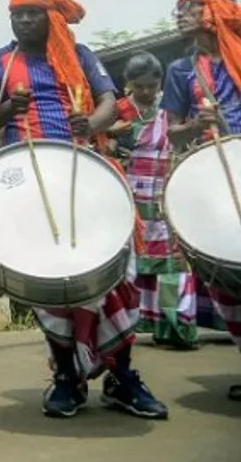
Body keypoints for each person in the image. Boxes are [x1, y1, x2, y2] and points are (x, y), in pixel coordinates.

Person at [0, 0, 167, 419]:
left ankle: (122, 377)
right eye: (17, 14)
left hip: (88, 178)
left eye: (32, 13)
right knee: (53, 282)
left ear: (50, 16)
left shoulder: (79, 56)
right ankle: (66, 377)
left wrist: (88, 123)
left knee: (114, 277)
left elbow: (110, 104)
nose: (23, 20)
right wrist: (7, 111)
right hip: (30, 188)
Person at [161, 0, 241, 400]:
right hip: (211, 178)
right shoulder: (180, 71)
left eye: (188, 8)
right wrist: (197, 125)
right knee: (227, 276)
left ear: (214, 12)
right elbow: (172, 136)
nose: (179, 15)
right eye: (178, 9)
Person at [107, 52, 198, 350]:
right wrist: (112, 134)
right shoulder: (118, 111)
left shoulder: (170, 109)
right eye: (139, 86)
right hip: (131, 199)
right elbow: (104, 146)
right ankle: (133, 326)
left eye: (152, 85)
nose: (146, 92)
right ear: (128, 84)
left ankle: (177, 328)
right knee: (135, 267)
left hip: (166, 195)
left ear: (160, 83)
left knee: (174, 265)